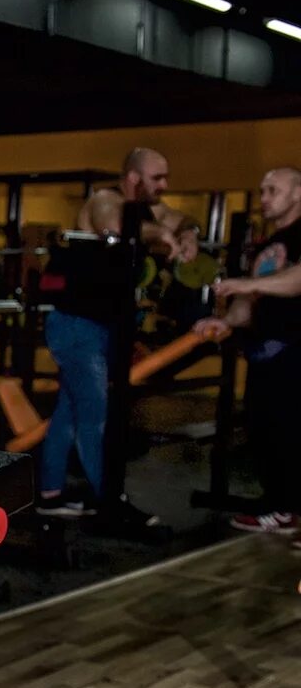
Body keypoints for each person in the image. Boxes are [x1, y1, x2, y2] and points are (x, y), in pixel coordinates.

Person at [36, 147, 200, 524]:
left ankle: (49, 495)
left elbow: (181, 217)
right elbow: (113, 225)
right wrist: (161, 232)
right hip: (76, 326)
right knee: (96, 415)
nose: (165, 185)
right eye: (158, 178)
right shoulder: (105, 199)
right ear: (134, 178)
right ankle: (109, 501)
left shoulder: (147, 208)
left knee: (69, 414)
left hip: (101, 326)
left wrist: (188, 233)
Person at [197, 166, 301, 536]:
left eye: (273, 189)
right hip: (266, 354)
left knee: (291, 430)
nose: (265, 197)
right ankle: (282, 507)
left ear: (298, 194)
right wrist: (227, 321)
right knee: (266, 430)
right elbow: (249, 301)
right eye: (262, 190)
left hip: (295, 351)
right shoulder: (264, 245)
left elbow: (295, 281)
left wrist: (247, 282)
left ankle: (286, 507)